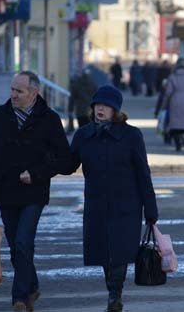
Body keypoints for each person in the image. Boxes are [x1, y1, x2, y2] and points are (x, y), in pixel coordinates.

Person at [0, 71, 72, 311]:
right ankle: (31, 286)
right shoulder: (0, 116)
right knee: (15, 247)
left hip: (34, 193)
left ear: (34, 93)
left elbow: (67, 161)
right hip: (6, 192)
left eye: (19, 91)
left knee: (23, 242)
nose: (13, 95)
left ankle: (19, 298)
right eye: (12, 89)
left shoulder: (49, 119)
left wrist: (37, 173)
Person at [66, 85, 158, 312]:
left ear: (115, 110)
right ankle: (113, 290)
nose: (101, 109)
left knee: (119, 252)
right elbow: (68, 165)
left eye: (106, 106)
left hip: (126, 205)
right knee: (103, 253)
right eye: (98, 104)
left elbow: (143, 174)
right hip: (97, 204)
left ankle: (114, 294)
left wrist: (151, 209)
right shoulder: (84, 135)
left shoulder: (131, 135)